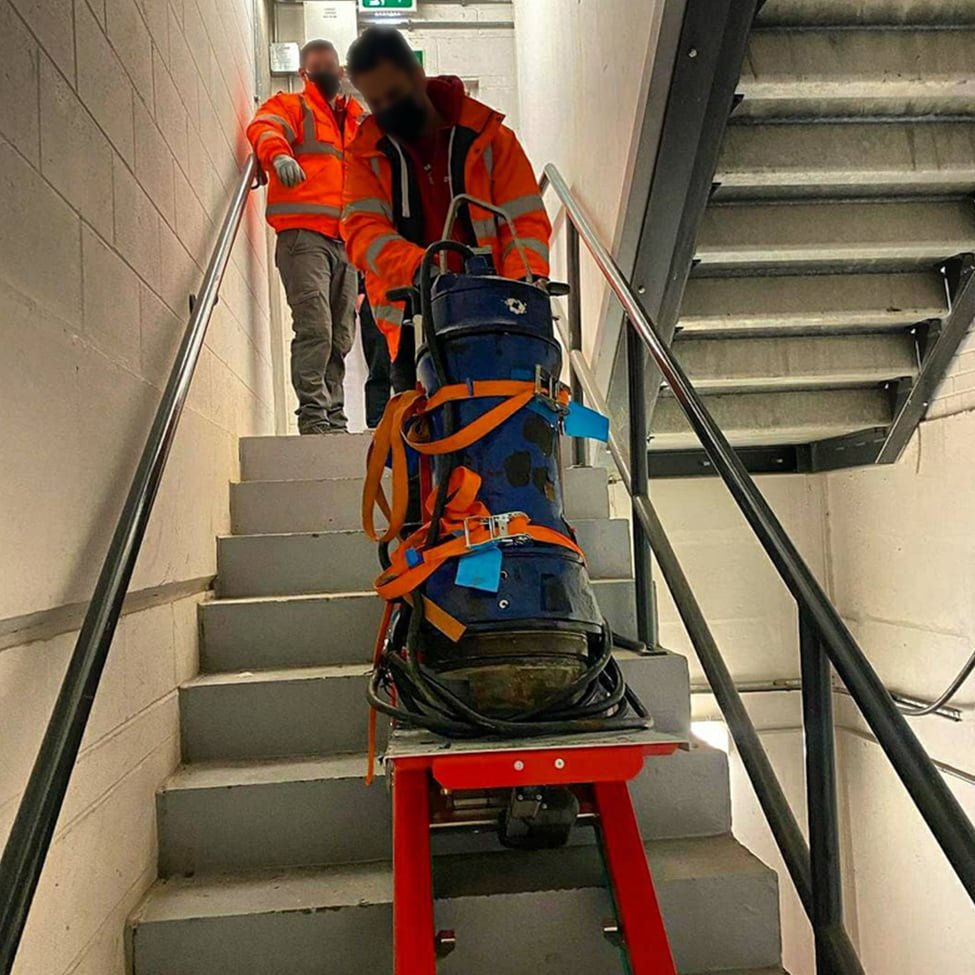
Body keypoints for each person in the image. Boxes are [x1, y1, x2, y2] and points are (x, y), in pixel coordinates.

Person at [341, 27, 551, 391]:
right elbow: (363, 233)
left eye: (394, 93)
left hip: (499, 312)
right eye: (376, 102)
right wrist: (425, 268)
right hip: (414, 320)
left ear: (417, 74)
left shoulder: (491, 140)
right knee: (422, 434)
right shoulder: (367, 155)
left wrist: (525, 285)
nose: (388, 108)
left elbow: (524, 222)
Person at [247, 39, 363, 434]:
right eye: (318, 68)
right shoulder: (292, 106)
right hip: (303, 237)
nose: (327, 74)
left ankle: (334, 415)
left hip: (344, 241)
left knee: (341, 334)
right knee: (316, 328)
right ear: (303, 73)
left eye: (332, 67)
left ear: (342, 72)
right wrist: (278, 155)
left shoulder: (354, 120)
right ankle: (314, 417)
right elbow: (264, 127)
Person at [357, 281, 392, 428]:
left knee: (407, 369)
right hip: (377, 294)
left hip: (411, 289)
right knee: (379, 367)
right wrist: (360, 289)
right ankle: (377, 428)